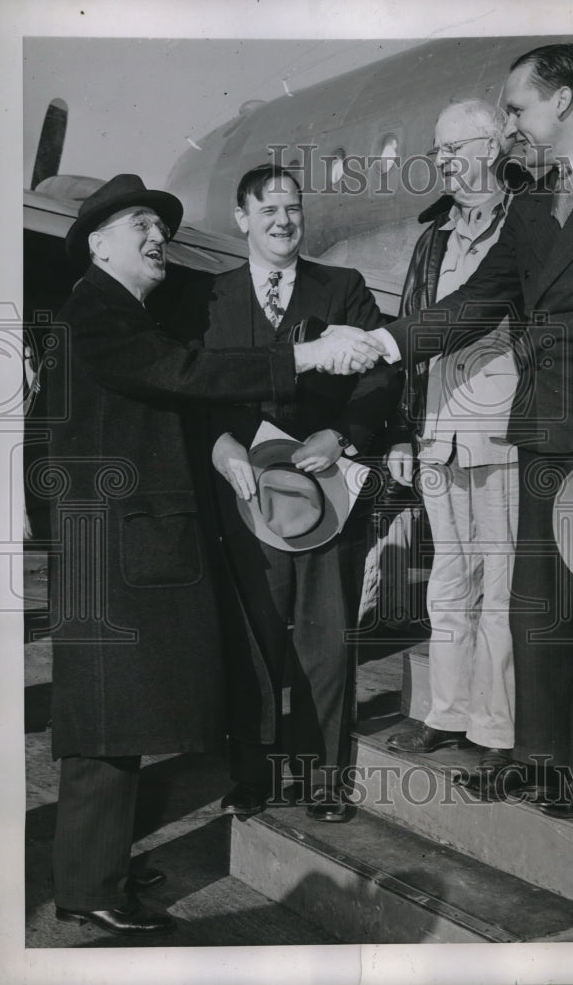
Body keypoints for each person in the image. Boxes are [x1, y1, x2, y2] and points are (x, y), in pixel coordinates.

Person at [367, 44, 573, 816]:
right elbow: (474, 304)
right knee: (535, 607)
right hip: (544, 425)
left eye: (517, 109)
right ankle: (542, 757)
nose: (512, 126)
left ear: (562, 100)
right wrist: (384, 343)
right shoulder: (530, 206)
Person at [46, 174, 379, 937]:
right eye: (138, 225)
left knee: (118, 719)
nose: (157, 235)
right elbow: (186, 376)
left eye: (160, 225)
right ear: (98, 243)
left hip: (118, 540)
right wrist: (302, 358)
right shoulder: (100, 312)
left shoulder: (120, 312)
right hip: (115, 548)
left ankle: (96, 867)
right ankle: (88, 887)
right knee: (104, 724)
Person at [187, 164, 403, 823]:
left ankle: (323, 782)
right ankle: (252, 776)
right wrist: (226, 450)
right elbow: (195, 388)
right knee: (251, 639)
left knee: (326, 641)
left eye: (293, 208)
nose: (284, 220)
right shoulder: (210, 298)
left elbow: (380, 379)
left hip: (325, 497)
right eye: (270, 208)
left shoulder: (341, 288)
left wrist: (341, 434)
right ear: (242, 218)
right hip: (245, 496)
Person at [384, 100, 523, 783]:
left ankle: (496, 729)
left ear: (492, 146)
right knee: (447, 581)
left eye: (450, 148)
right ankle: (443, 713)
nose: (438, 161)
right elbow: (416, 331)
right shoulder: (433, 236)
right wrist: (407, 428)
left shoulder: (527, 221)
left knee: (498, 585)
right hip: (440, 431)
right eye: (435, 150)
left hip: (503, 433)